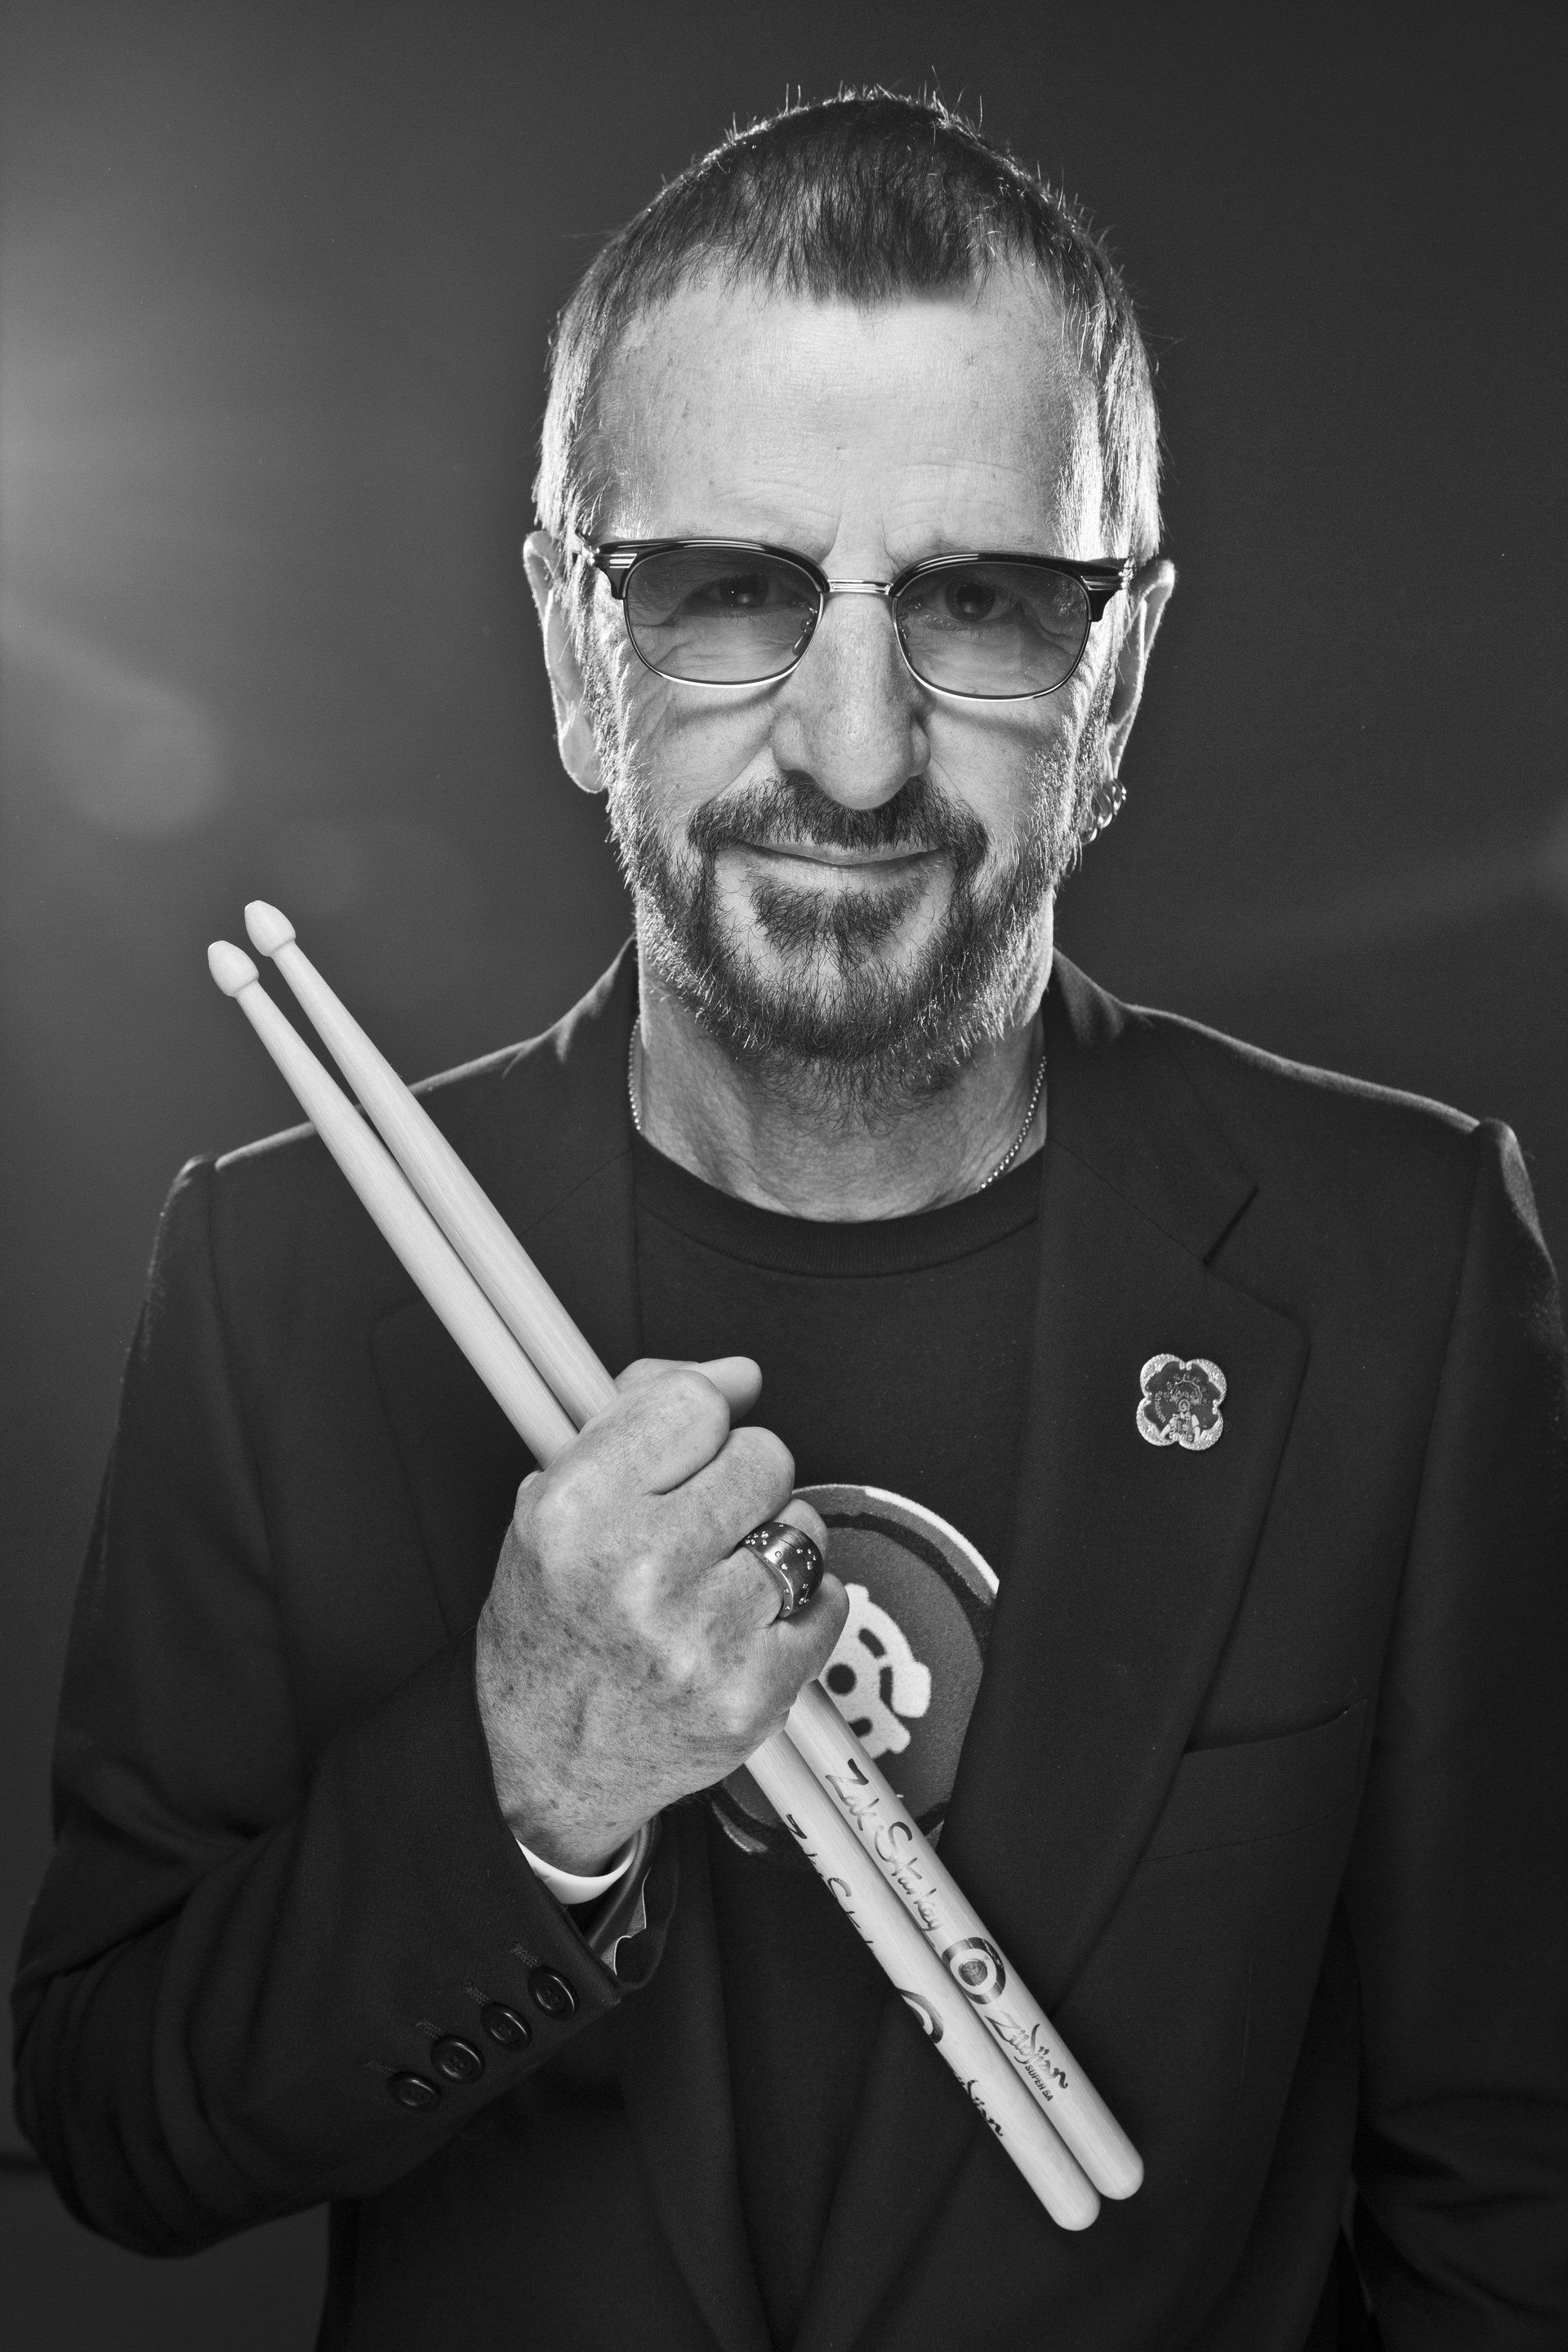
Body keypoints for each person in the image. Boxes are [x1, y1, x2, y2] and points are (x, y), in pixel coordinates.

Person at [12, 88, 1568, 2352]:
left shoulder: (1404, 1265)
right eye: (727, 591)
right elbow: (115, 2124)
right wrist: (526, 1781)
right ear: (582, 653)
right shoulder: (286, 1272)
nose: (853, 750)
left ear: (1114, 676)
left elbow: (1516, 2195)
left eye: (981, 602)